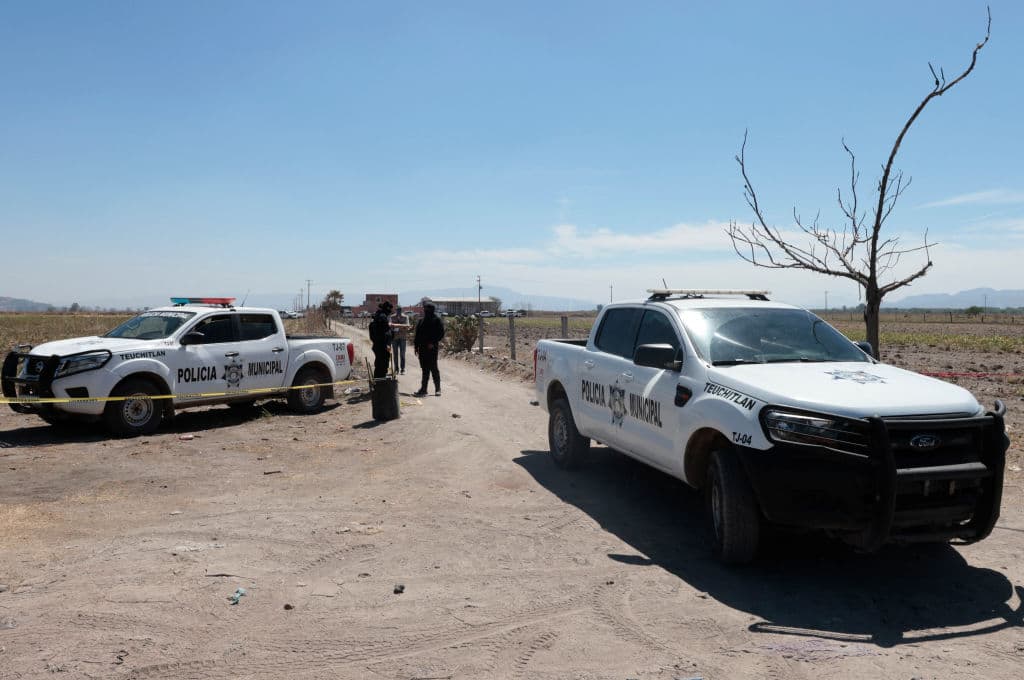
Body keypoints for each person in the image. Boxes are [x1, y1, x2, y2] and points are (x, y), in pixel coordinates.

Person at [413, 301, 445, 396]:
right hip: (422, 349)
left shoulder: (437, 320)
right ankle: (423, 389)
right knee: (424, 369)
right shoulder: (421, 321)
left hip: (432, 348)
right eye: (425, 309)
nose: (426, 311)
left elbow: (441, 334)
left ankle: (437, 389)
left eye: (428, 309)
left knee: (434, 368)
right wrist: (416, 346)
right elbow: (417, 335)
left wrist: (433, 342)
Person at [368, 301, 394, 380]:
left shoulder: (378, 316)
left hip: (378, 345)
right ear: (388, 308)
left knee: (380, 365)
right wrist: (386, 344)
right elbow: (383, 332)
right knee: (382, 365)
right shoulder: (382, 317)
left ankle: (379, 383)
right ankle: (380, 385)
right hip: (382, 346)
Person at [389, 306, 411, 375]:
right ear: (396, 310)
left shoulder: (405, 317)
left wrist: (396, 325)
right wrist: (402, 326)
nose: (398, 311)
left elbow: (407, 326)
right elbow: (390, 326)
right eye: (397, 310)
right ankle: (396, 369)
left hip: (402, 338)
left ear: (401, 310)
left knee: (402, 354)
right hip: (394, 338)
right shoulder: (392, 317)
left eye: (399, 310)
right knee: (395, 354)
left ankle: (403, 369)